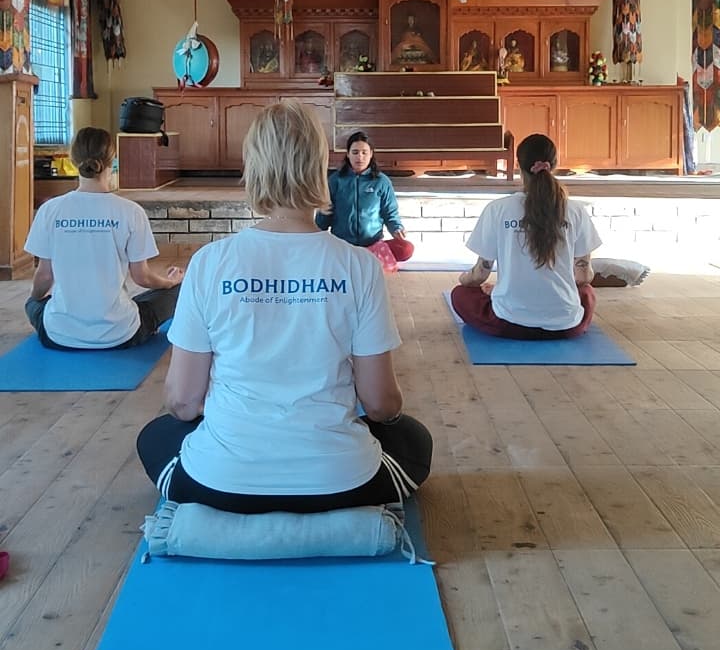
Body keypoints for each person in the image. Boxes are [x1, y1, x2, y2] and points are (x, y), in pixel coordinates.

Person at [136, 101, 432, 513]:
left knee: (155, 436)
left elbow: (183, 403)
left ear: (253, 167)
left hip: (223, 483)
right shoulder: (359, 266)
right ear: (319, 167)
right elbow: (382, 403)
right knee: (414, 439)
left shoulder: (209, 263)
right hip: (340, 483)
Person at [24, 127, 183, 350]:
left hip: (58, 335)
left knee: (33, 303)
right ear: (113, 160)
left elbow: (44, 275)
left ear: (73, 159)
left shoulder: (50, 210)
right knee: (179, 291)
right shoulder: (130, 211)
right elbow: (142, 278)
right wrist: (170, 282)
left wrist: (34, 301)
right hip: (121, 334)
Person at [450, 132, 600, 339]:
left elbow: (479, 275)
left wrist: (465, 280)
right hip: (565, 325)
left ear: (519, 167)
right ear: (554, 165)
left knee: (460, 294)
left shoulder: (497, 209)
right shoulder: (576, 211)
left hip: (509, 323)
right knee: (587, 293)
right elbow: (584, 277)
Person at [316, 131, 414, 271]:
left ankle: (365, 262)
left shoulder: (381, 181)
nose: (360, 157)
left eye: (364, 152)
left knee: (406, 249)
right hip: (342, 246)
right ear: (348, 154)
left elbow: (390, 213)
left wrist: (396, 229)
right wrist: (315, 234)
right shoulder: (335, 181)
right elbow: (324, 215)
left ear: (371, 154)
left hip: (373, 246)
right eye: (355, 152)